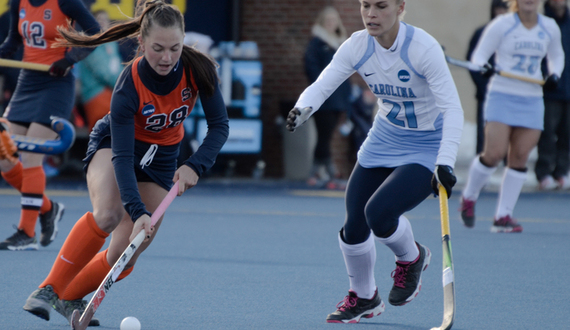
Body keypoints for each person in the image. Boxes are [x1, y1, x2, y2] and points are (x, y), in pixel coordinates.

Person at [21, 0, 229, 326]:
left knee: (127, 250)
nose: (166, 57)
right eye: (158, 48)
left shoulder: (199, 69)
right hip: (115, 148)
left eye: (174, 48)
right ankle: (49, 288)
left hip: (161, 160)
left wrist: (195, 164)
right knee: (109, 214)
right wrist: (137, 210)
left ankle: (69, 296)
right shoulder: (128, 84)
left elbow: (219, 126)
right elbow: (121, 156)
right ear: (142, 43)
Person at [287, 0, 463, 323]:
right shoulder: (357, 45)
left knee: (378, 213)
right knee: (354, 222)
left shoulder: (422, 48)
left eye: (381, 6)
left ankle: (411, 257)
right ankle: (365, 297)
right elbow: (324, 83)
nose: (371, 14)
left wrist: (445, 162)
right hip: (385, 137)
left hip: (426, 144)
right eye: (365, 5)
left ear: (400, 8)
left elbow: (453, 108)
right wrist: (302, 108)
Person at [0, 0, 100, 250]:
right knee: (4, 158)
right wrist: (3, 51)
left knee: (32, 156)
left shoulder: (66, 2)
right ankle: (48, 208)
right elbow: (14, 40)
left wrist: (69, 59)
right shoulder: (18, 2)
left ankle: (27, 232)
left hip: (56, 84)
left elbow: (95, 33)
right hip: (27, 81)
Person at [460, 0, 564, 232]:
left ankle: (503, 216)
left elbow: (557, 56)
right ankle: (469, 196)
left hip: (532, 99)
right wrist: (483, 66)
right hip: (502, 96)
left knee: (519, 157)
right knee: (494, 154)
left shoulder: (549, 26)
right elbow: (478, 57)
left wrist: (554, 74)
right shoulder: (502, 24)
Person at [304, 6, 352, 189]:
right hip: (323, 99)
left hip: (338, 99)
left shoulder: (341, 44)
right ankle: (329, 171)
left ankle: (317, 171)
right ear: (322, 23)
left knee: (327, 136)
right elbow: (311, 69)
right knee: (324, 136)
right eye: (328, 21)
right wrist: (323, 87)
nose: (332, 24)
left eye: (334, 20)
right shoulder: (317, 44)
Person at [534, 0, 570, 190]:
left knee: (567, 134)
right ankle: (544, 173)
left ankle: (562, 172)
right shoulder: (543, 24)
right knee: (547, 134)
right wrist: (545, 77)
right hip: (550, 91)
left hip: (568, 90)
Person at [467, 0, 509, 154]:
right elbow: (473, 63)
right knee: (484, 130)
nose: (501, 13)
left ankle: (507, 163)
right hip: (486, 93)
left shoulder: (514, 33)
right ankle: (481, 160)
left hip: (508, 92)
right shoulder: (482, 32)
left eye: (504, 9)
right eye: (498, 9)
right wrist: (483, 85)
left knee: (508, 130)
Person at [76, 10, 123, 131]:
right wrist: (126, 86)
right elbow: (104, 74)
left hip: (113, 94)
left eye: (105, 19)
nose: (102, 22)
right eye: (98, 19)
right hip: (96, 95)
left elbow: (119, 70)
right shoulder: (90, 44)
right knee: (103, 139)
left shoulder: (111, 44)